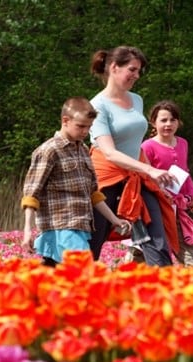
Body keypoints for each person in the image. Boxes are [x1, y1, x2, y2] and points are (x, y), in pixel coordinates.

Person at [88, 46, 180, 266]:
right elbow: (109, 152)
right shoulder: (97, 105)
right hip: (107, 177)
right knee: (95, 239)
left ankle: (163, 287)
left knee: (156, 236)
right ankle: (81, 288)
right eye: (132, 69)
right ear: (113, 68)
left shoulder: (137, 100)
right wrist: (150, 169)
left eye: (139, 71)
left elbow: (135, 146)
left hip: (137, 176)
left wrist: (153, 176)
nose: (137, 76)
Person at [21, 97, 132, 266]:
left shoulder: (83, 150)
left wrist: (114, 220)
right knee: (81, 270)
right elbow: (31, 194)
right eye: (80, 126)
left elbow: (94, 194)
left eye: (89, 127)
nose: (85, 131)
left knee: (57, 275)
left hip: (81, 226)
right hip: (59, 227)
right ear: (65, 121)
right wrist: (27, 230)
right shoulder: (49, 151)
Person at [141, 100, 193, 266]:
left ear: (178, 122)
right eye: (163, 120)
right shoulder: (147, 147)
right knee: (144, 247)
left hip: (178, 206)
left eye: (172, 120)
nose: (168, 124)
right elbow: (144, 176)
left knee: (182, 243)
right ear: (153, 122)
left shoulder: (182, 143)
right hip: (157, 205)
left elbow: (185, 171)